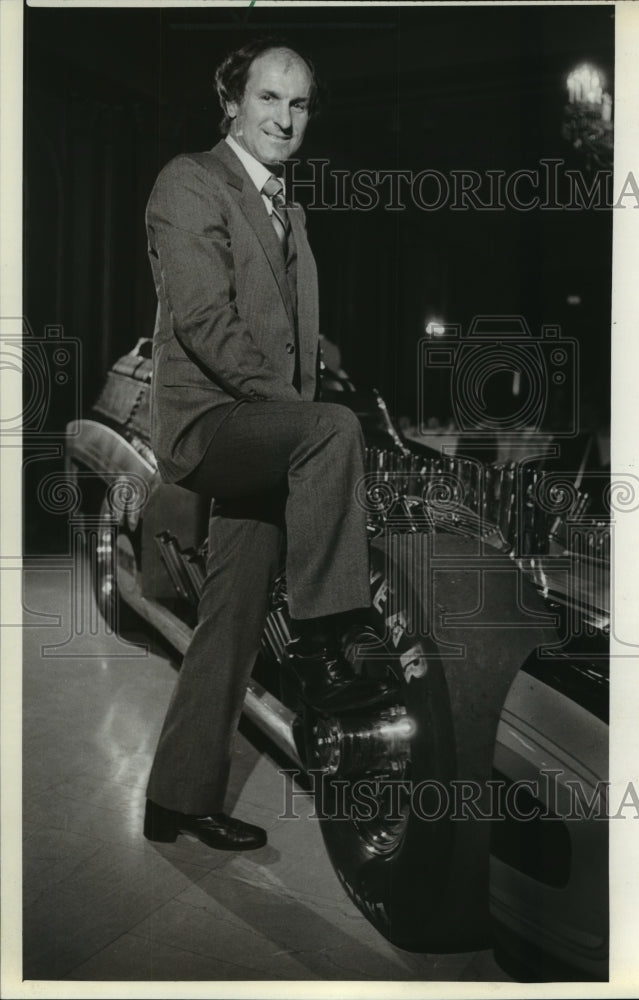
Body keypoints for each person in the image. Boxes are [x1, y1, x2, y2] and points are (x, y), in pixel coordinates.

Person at [142, 38, 389, 852]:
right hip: (213, 428)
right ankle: (327, 640)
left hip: (266, 428)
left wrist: (321, 374)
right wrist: (305, 415)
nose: (286, 118)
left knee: (233, 620)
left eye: (301, 104)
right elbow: (207, 322)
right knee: (329, 433)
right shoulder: (191, 181)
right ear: (232, 103)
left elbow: (280, 329)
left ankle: (177, 798)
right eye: (270, 100)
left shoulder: (289, 207)